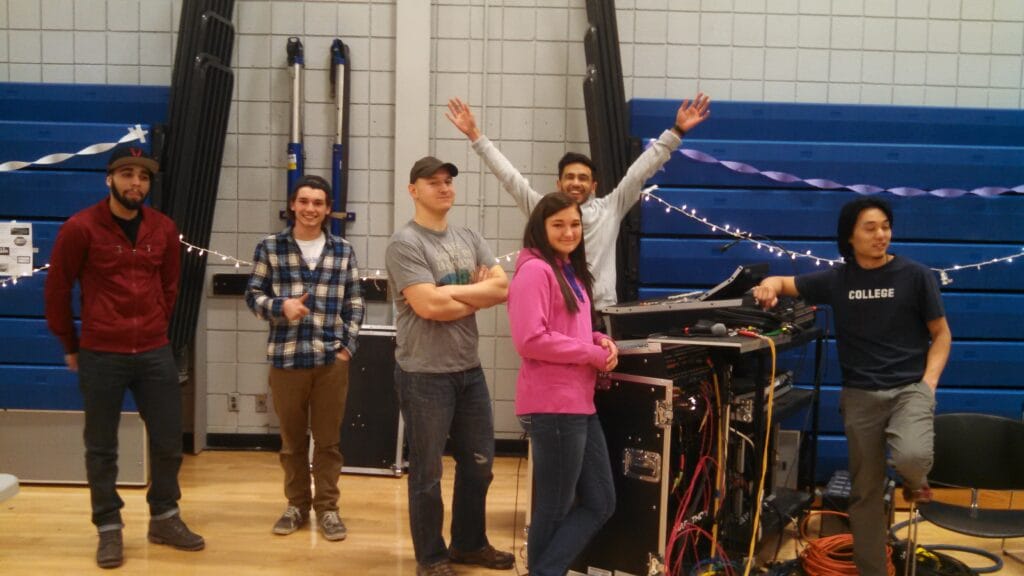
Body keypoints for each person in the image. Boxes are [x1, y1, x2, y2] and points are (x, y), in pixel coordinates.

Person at [751, 197, 952, 575]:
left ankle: (914, 480)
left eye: (885, 226)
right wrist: (767, 285)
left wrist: (928, 384)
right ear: (850, 236)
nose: (881, 235)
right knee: (865, 495)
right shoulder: (836, 280)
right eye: (870, 227)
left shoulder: (916, 276)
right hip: (860, 397)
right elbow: (781, 281)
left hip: (909, 389)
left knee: (911, 457)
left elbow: (941, 336)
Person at [44, 145, 204, 569]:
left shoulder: (164, 229)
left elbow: (170, 287)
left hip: (153, 351)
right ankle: (109, 527)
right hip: (101, 354)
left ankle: (165, 518)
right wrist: (71, 345)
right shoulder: (81, 228)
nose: (137, 183)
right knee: (102, 446)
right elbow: (57, 291)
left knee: (169, 442)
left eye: (144, 176)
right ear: (109, 178)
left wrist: (154, 329)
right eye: (128, 174)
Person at [445, 93, 711, 310]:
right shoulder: (542, 211)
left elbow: (640, 171)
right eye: (569, 177)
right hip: (559, 309)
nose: (575, 182)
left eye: (583, 178)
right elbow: (510, 178)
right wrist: (475, 136)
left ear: (593, 186)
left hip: (602, 312)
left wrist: (675, 132)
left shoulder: (610, 208)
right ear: (558, 184)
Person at [385, 156, 513, 576]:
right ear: (413, 190)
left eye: (448, 182)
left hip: (468, 371)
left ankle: (468, 544)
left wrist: (455, 292)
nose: (444, 188)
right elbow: (428, 306)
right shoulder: (405, 243)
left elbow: (503, 288)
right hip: (424, 375)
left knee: (479, 465)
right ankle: (432, 558)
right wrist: (475, 290)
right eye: (433, 182)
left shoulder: (469, 235)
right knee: (427, 473)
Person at [245, 174, 365, 542]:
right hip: (286, 360)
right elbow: (252, 295)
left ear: (328, 209)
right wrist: (281, 306)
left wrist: (347, 347)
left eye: (318, 203)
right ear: (292, 205)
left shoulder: (343, 250)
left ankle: (328, 508)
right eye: (304, 201)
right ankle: (297, 505)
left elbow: (355, 303)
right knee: (292, 443)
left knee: (328, 442)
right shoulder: (270, 248)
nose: (311, 208)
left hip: (331, 363)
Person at [507, 192, 618, 576]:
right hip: (552, 405)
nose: (569, 231)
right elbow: (529, 339)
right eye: (559, 224)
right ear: (541, 227)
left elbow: (570, 329)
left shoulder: (567, 268)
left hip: (578, 403)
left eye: (574, 224)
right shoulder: (535, 271)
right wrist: (589, 353)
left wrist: (599, 340)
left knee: (600, 502)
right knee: (553, 509)